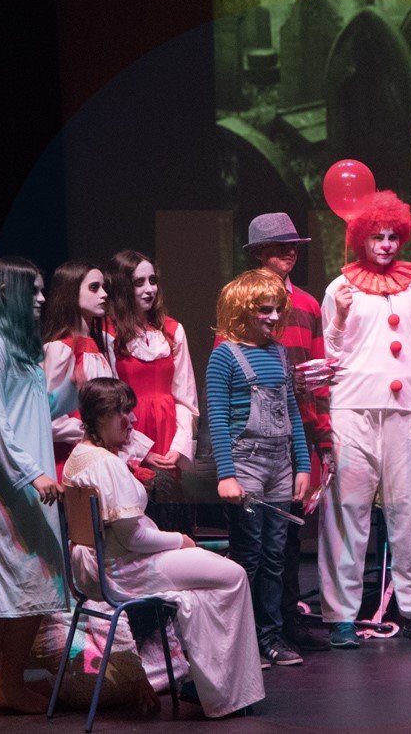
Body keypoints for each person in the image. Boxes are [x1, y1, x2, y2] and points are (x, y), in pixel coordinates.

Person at [63, 377, 264, 718]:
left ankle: (206, 682)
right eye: (123, 413)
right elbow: (135, 539)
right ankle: (226, 691)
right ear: (100, 417)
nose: (132, 420)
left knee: (202, 591)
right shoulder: (104, 465)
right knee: (234, 576)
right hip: (128, 568)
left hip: (108, 566)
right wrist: (179, 540)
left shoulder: (79, 457)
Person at [319, 190, 411, 647]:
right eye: (378, 237)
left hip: (407, 413)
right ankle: (341, 614)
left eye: (393, 236)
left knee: (409, 513)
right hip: (351, 411)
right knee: (346, 514)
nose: (387, 245)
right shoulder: (340, 287)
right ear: (362, 239)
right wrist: (339, 316)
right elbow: (329, 355)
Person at [0, 256, 77, 713]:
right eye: (35, 290)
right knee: (25, 578)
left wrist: (70, 389)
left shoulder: (13, 345)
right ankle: (6, 685)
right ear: (8, 292)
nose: (42, 299)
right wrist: (32, 474)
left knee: (5, 583)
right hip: (10, 485)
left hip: (25, 478)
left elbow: (29, 410)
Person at [236, 213, 333, 653]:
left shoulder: (308, 305)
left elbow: (318, 381)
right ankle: (254, 630)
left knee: (289, 535)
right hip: (254, 437)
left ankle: (286, 621)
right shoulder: (241, 302)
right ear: (259, 253)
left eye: (294, 245)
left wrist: (323, 439)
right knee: (254, 539)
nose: (290, 252)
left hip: (297, 431)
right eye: (279, 246)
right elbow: (229, 371)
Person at [206, 269, 313, 666]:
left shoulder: (280, 354)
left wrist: (303, 465)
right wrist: (226, 474)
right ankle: (242, 641)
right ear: (243, 310)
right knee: (248, 556)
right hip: (245, 464)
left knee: (276, 556)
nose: (273, 317)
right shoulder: (225, 355)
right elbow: (217, 419)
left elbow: (292, 413)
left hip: (280, 463)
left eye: (277, 309)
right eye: (264, 310)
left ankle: (270, 637)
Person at [104, 250, 199, 535]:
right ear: (122, 287)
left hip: (167, 432)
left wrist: (177, 448)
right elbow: (107, 400)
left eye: (153, 281)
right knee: (136, 515)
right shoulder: (110, 333)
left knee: (169, 515)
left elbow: (186, 398)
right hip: (128, 432)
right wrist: (141, 450)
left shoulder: (172, 331)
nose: (149, 289)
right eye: (139, 283)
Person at [41, 260, 115, 483]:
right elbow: (49, 417)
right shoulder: (61, 349)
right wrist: (92, 432)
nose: (104, 294)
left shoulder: (100, 347)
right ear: (71, 292)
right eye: (94, 287)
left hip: (99, 457)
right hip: (72, 461)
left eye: (103, 287)